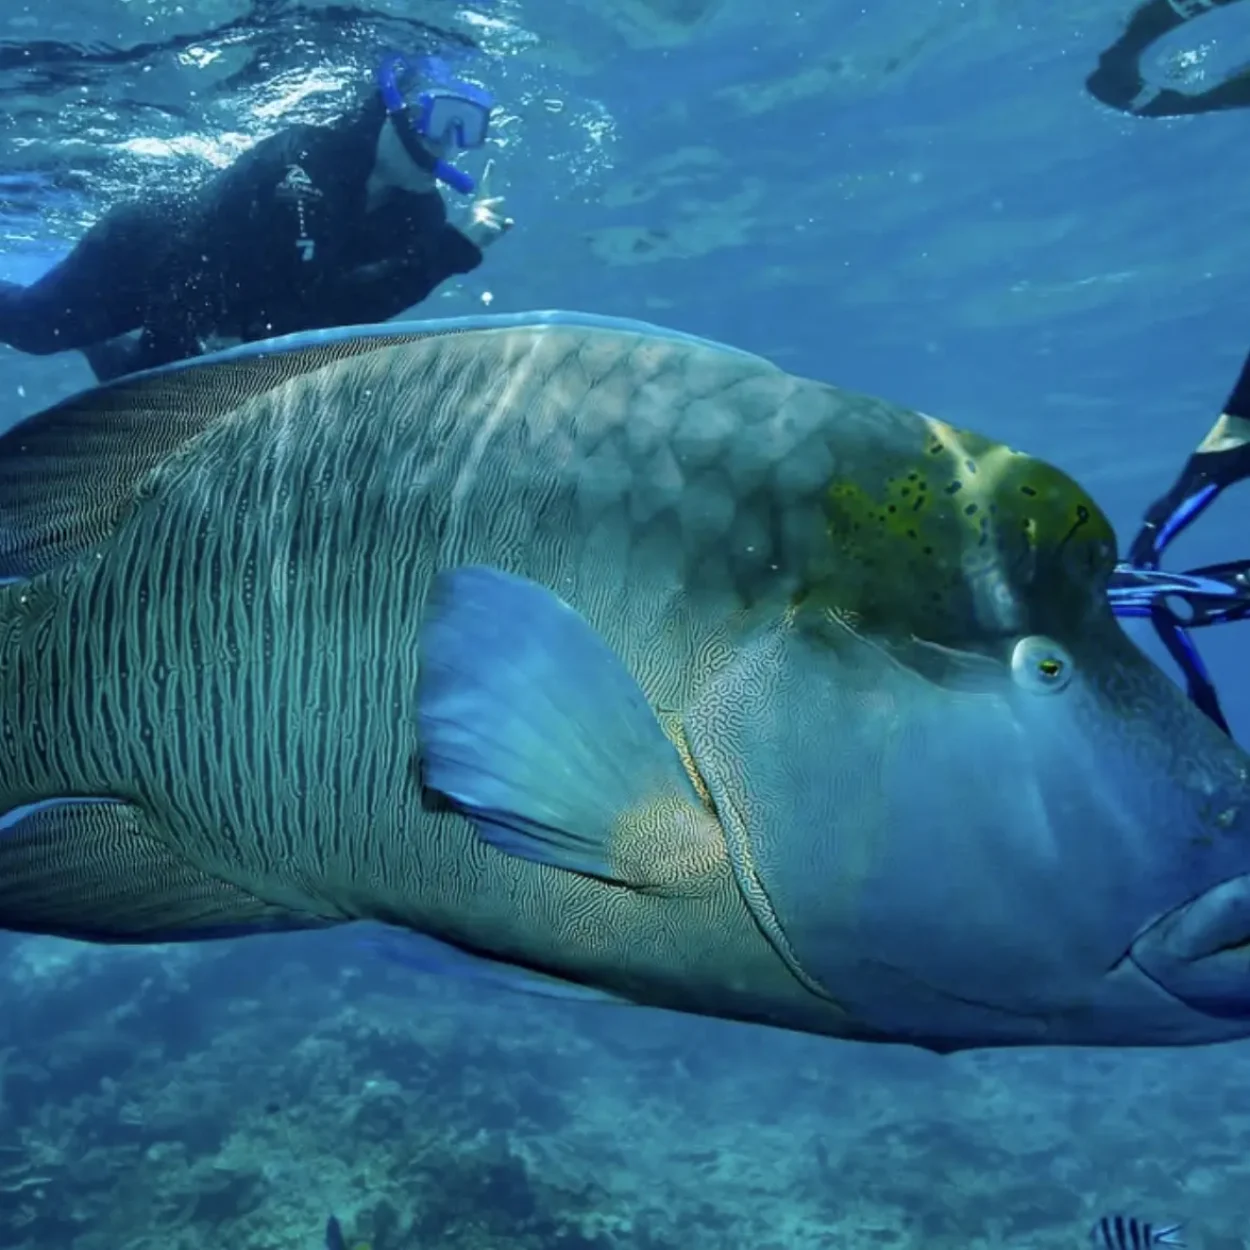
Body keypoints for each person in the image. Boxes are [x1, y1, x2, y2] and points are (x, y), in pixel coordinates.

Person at [0, 52, 512, 383]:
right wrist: (157, 369)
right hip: (142, 252)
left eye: (466, 131)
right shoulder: (304, 159)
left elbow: (352, 308)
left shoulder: (423, 215)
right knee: (34, 331)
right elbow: (218, 273)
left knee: (137, 377)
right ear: (391, 108)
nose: (450, 143)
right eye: (439, 122)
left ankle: (116, 351)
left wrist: (455, 248)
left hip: (225, 308)